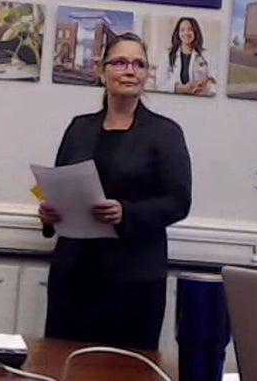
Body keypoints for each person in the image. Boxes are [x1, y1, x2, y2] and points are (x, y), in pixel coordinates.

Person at [37, 34, 192, 349]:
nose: (129, 70)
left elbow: (178, 202)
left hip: (133, 278)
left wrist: (127, 212)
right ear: (101, 71)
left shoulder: (164, 132)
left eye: (138, 64)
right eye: (119, 62)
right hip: (74, 275)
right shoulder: (79, 128)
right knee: (63, 363)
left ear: (147, 74)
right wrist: (48, 213)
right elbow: (60, 184)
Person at [156, 17, 216, 96]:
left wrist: (207, 79)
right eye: (182, 30)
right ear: (178, 33)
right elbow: (160, 84)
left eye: (190, 29)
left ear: (195, 32)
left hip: (200, 99)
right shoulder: (167, 55)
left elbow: (216, 75)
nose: (186, 33)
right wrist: (182, 88)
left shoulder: (205, 55)